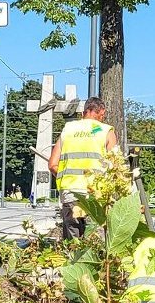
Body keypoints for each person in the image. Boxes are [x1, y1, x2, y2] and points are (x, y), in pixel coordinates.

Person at [48, 96, 119, 239]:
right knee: (95, 240)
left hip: (70, 193)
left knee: (73, 242)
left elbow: (52, 165)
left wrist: (66, 178)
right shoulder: (106, 131)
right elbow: (115, 166)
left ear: (84, 113)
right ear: (101, 112)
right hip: (96, 195)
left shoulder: (68, 130)